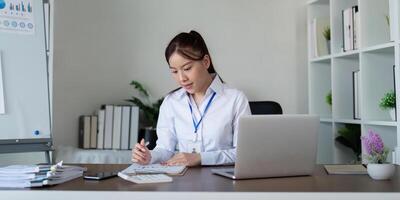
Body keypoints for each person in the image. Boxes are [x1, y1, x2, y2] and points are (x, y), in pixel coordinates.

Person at [132, 30, 250, 166]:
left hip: (223, 181)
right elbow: (165, 149)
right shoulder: (171, 102)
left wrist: (201, 158)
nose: (181, 78)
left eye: (187, 68)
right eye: (174, 71)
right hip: (184, 180)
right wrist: (149, 156)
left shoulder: (235, 99)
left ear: (205, 62)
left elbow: (242, 153)